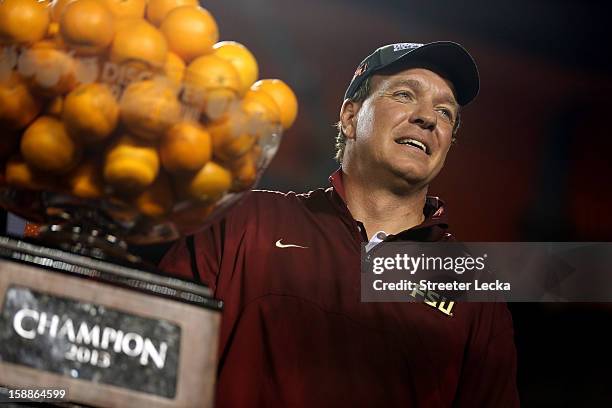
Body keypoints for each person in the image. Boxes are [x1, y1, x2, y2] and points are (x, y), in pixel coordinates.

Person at [160, 41, 519, 407]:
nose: (428, 117)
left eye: (445, 112)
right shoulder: (244, 223)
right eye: (405, 94)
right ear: (350, 118)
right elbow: (155, 359)